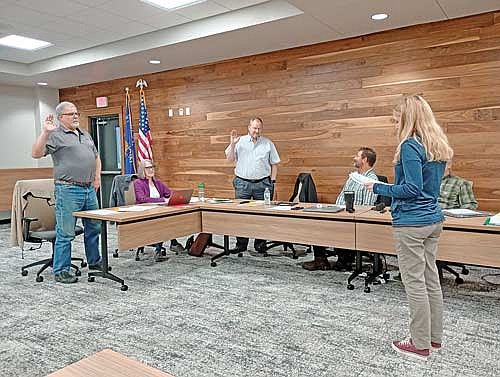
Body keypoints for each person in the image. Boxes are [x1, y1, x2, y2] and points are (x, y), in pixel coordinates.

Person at [365, 95, 453, 361]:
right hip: (432, 220)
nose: (395, 123)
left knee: (415, 284)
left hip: (412, 223)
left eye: (396, 118)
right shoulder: (435, 144)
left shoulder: (410, 146)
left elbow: (411, 189)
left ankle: (419, 344)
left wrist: (377, 187)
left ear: (407, 117)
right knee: (430, 281)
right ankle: (433, 339)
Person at [32, 101, 102, 284]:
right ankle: (61, 270)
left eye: (76, 113)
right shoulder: (55, 135)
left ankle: (95, 262)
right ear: (61, 117)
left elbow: (96, 157)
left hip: (89, 189)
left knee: (94, 227)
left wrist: (97, 177)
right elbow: (36, 153)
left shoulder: (85, 135)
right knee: (66, 232)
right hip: (68, 189)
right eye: (71, 114)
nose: (75, 116)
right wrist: (45, 132)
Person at [302, 147, 379, 271]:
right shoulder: (353, 177)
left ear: (364, 159)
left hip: (354, 219)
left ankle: (345, 261)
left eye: (357, 156)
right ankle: (320, 260)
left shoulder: (372, 180)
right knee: (317, 223)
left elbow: (367, 206)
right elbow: (341, 197)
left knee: (341, 227)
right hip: (342, 214)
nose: (354, 158)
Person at [225, 117, 280, 254]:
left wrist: (272, 182)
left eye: (259, 128)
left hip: (263, 184)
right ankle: (241, 244)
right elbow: (229, 159)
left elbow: (274, 164)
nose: (256, 130)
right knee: (241, 215)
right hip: (242, 183)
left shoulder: (268, 143)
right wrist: (232, 144)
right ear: (249, 127)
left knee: (262, 215)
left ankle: (260, 244)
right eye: (254, 128)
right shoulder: (239, 141)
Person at [134, 159, 185, 261]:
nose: (151, 170)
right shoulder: (138, 183)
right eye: (148, 168)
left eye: (152, 167)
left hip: (159, 210)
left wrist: (178, 197)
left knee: (172, 218)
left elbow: (169, 193)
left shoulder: (157, 182)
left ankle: (173, 242)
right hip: (145, 212)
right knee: (162, 221)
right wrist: (162, 199)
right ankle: (159, 250)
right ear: (142, 170)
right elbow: (142, 199)